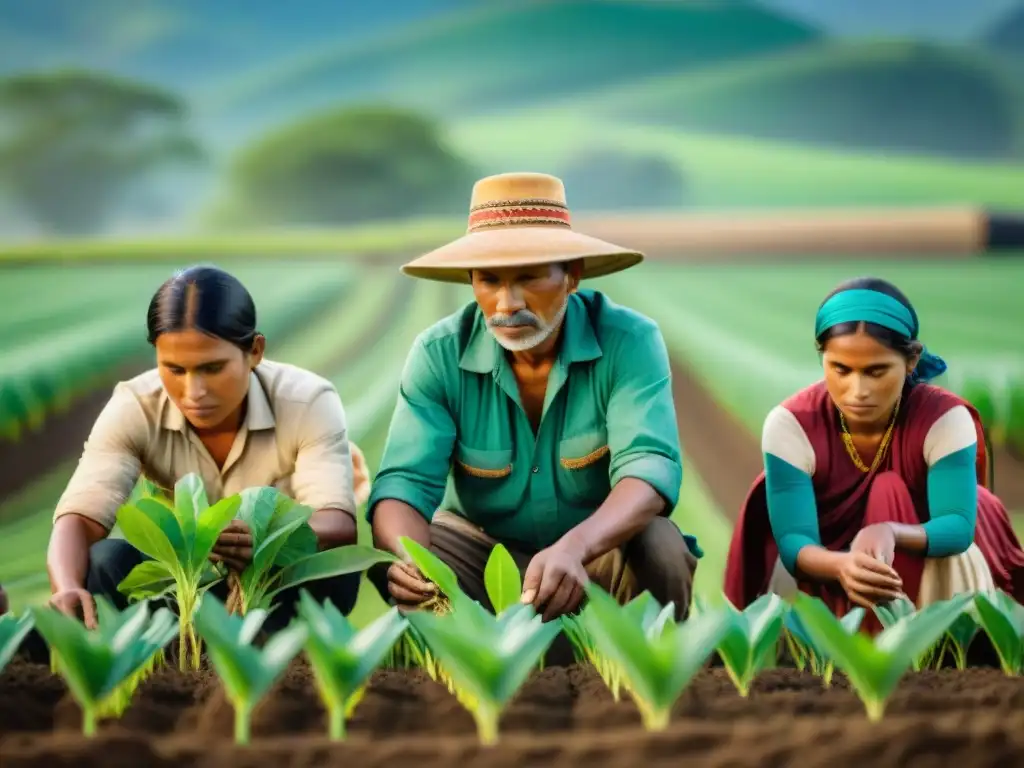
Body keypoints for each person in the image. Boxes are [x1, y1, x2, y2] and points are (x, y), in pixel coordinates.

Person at [366, 171, 700, 626]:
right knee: (398, 560)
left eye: (530, 278)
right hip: (482, 555)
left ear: (572, 276)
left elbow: (649, 470)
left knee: (660, 546)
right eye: (489, 281)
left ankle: (640, 674)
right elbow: (403, 484)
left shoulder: (629, 340)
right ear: (471, 282)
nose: (508, 303)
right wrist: (414, 562)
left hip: (595, 555)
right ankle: (459, 679)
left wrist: (574, 548)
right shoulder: (438, 353)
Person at [43, 265, 371, 632]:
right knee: (105, 561)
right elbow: (78, 520)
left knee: (334, 569)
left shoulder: (307, 400)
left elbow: (337, 523)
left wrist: (261, 535)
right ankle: (167, 655)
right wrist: (67, 586)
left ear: (255, 351)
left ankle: (283, 659)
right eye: (175, 369)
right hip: (180, 585)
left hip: (275, 583)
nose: (193, 391)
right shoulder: (135, 406)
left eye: (212, 368)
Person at [723, 276, 1024, 630]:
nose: (858, 390)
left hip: (928, 564)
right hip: (825, 569)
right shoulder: (792, 423)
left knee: (890, 490)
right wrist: (841, 566)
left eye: (876, 371)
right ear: (823, 358)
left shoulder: (942, 418)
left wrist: (890, 531)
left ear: (911, 362)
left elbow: (957, 526)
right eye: (841, 370)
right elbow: (794, 542)